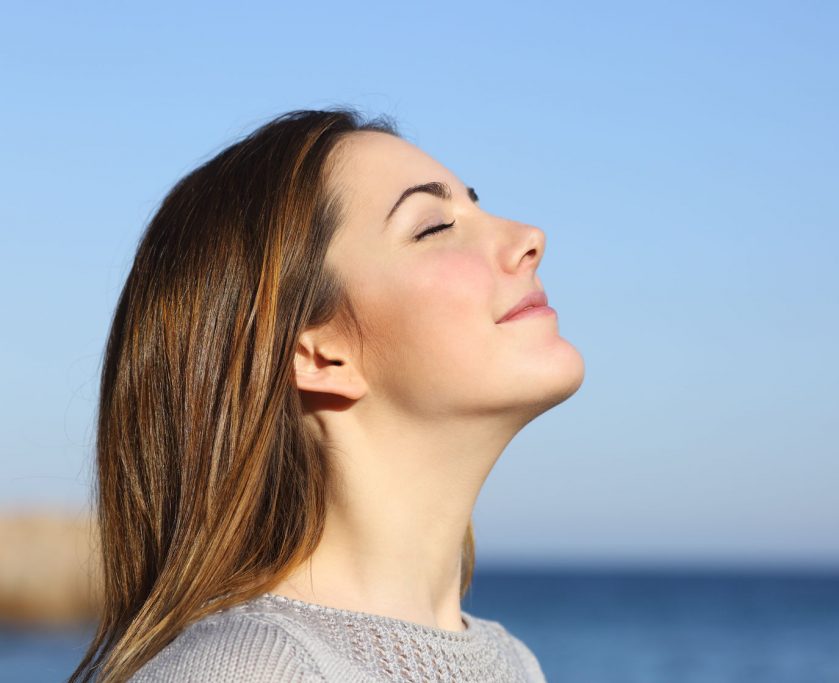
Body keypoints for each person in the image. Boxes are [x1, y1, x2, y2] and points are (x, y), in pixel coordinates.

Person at [67, 108, 585, 682]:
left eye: (475, 205)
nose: (528, 238)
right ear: (317, 355)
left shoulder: (513, 665)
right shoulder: (245, 671)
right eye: (433, 226)